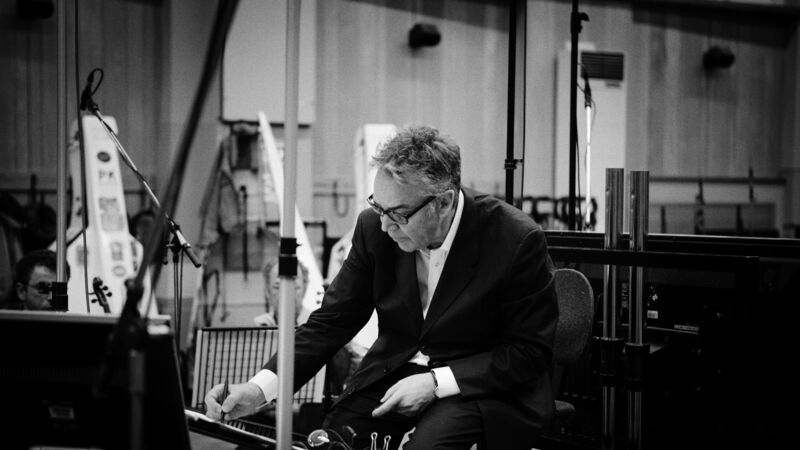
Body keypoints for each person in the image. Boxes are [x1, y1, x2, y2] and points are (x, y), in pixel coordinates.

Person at [205, 125, 558, 449]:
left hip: (481, 387)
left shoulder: (515, 239)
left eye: (399, 214)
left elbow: (528, 352)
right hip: (397, 369)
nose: (386, 225)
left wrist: (436, 382)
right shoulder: (374, 229)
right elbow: (329, 323)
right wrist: (259, 389)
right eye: (378, 206)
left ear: (444, 202)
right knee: (333, 438)